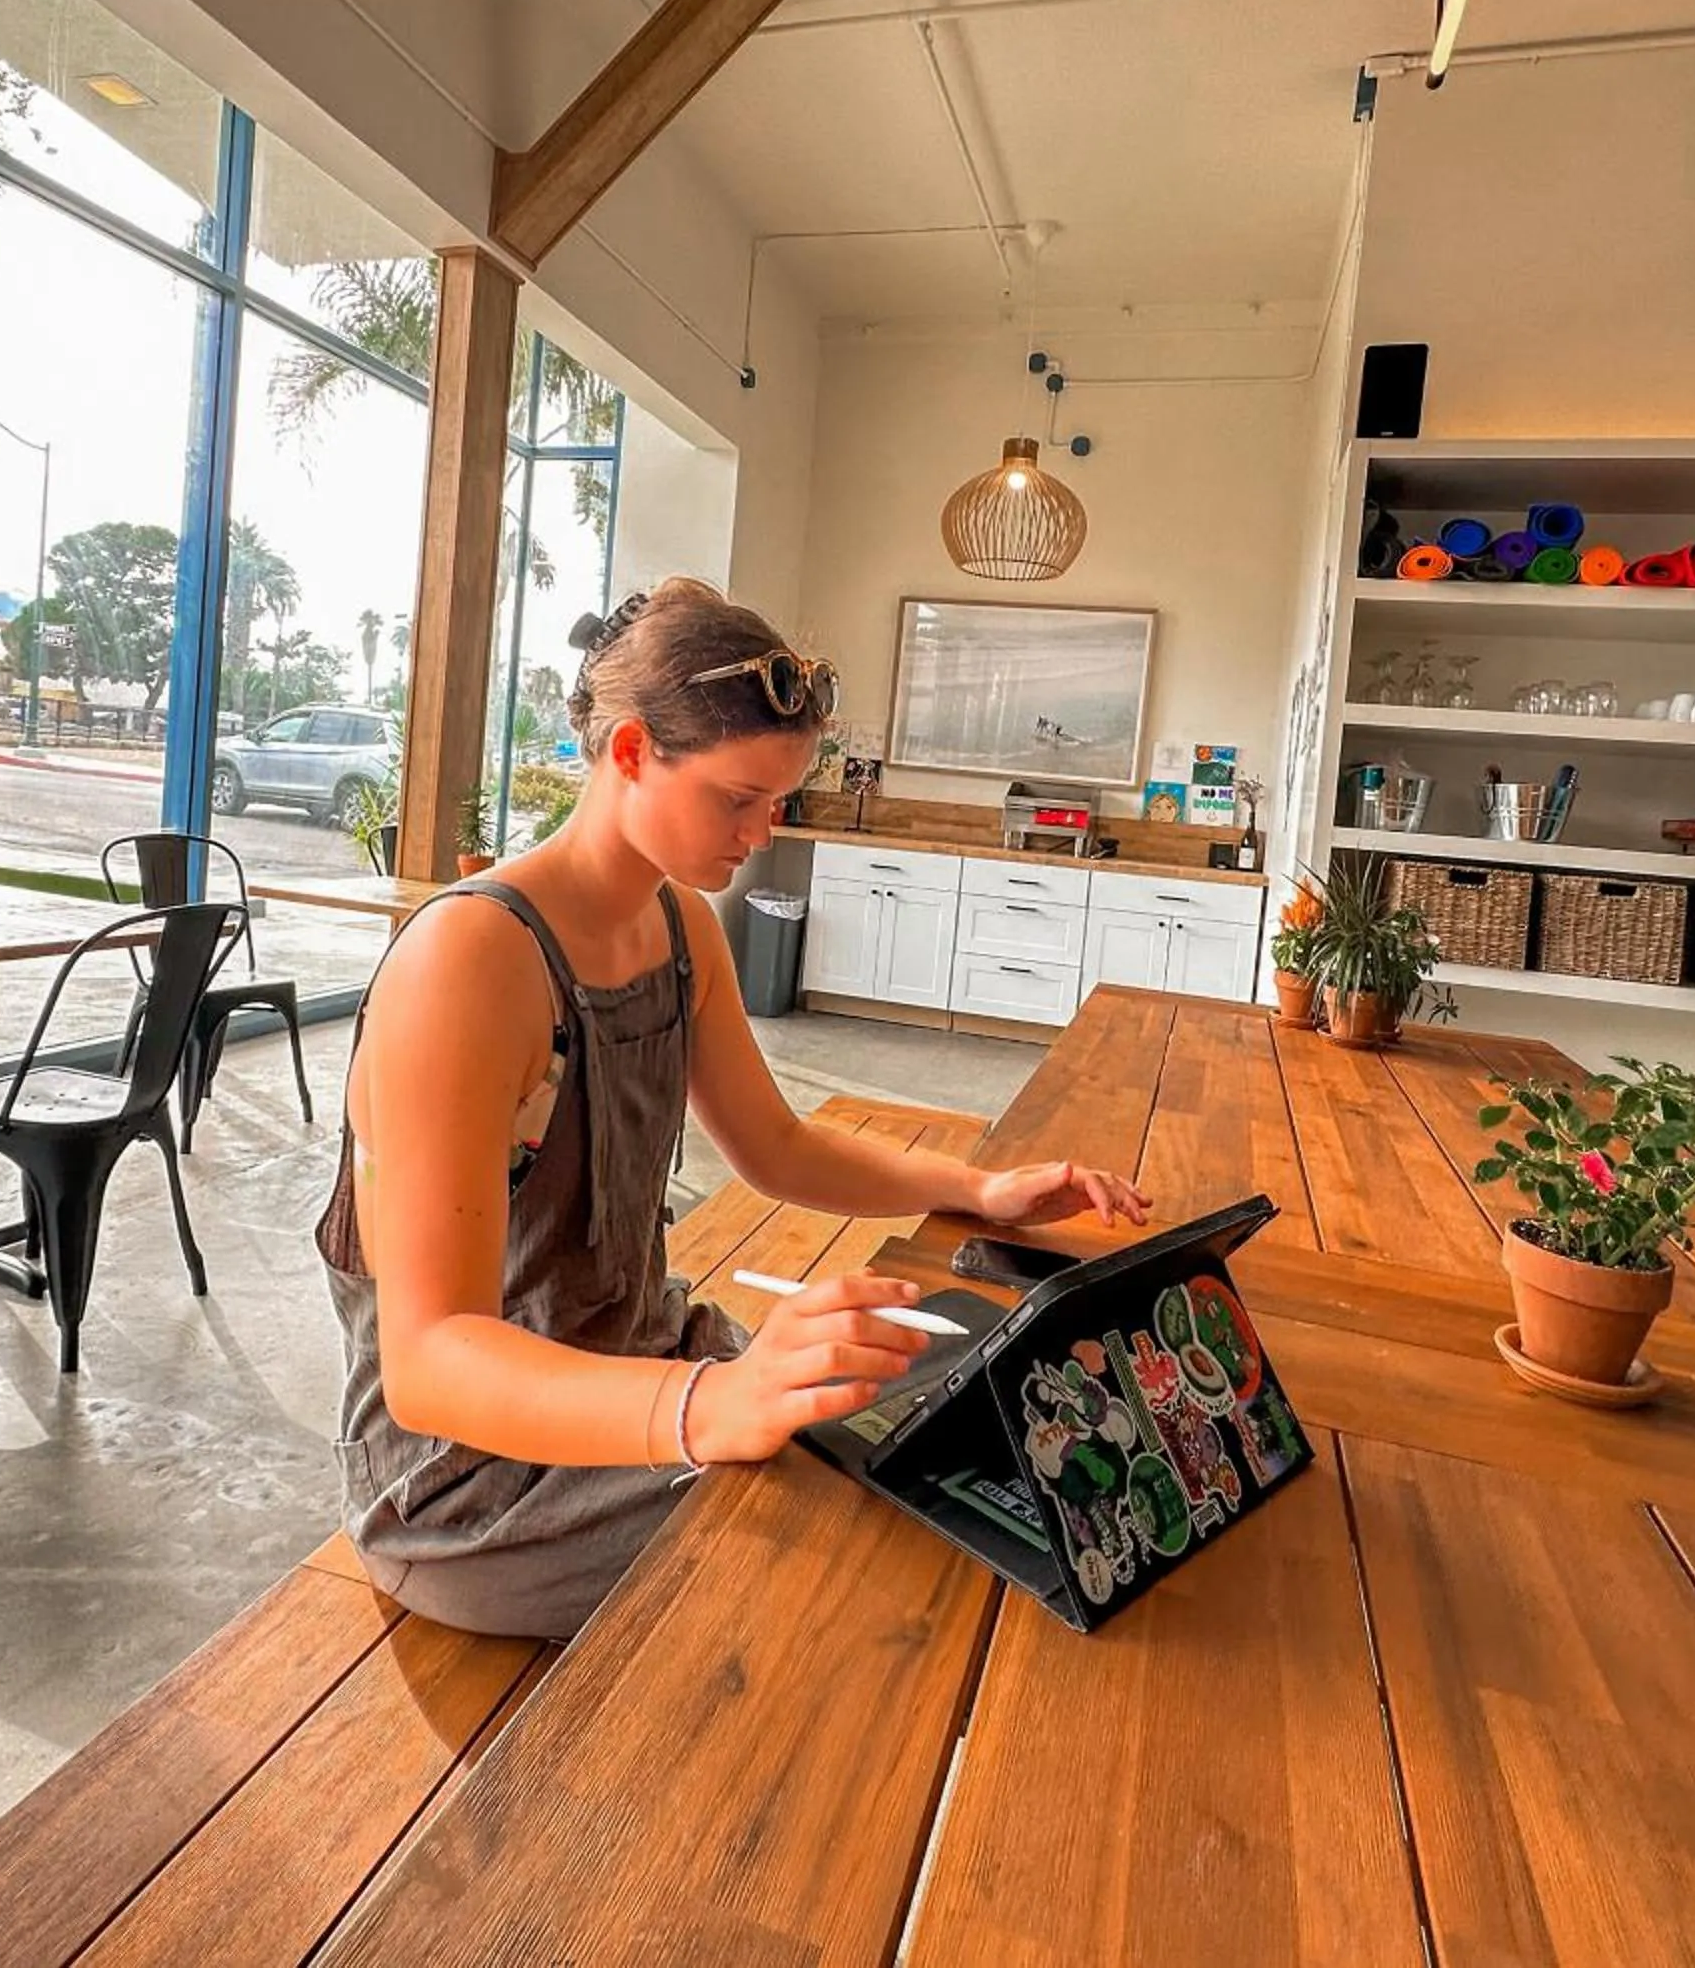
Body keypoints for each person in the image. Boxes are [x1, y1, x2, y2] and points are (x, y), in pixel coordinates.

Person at [314, 578, 1148, 1637]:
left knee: (977, 1376)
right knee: (872, 1535)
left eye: (778, 802)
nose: (762, 834)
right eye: (737, 798)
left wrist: (980, 1185)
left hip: (652, 1368)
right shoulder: (469, 960)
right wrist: (714, 1405)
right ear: (627, 753)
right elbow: (430, 1363)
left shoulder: (678, 929)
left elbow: (777, 1146)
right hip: (475, 1487)